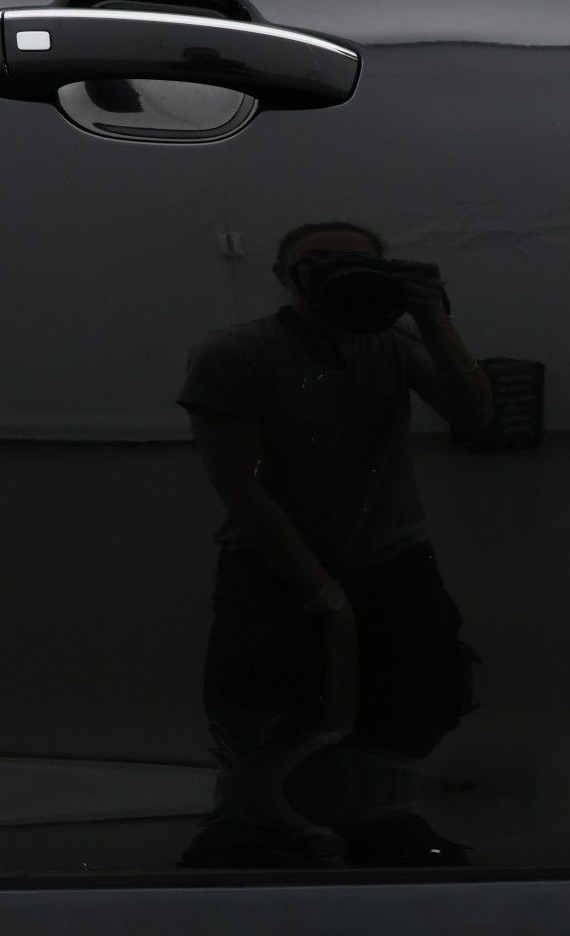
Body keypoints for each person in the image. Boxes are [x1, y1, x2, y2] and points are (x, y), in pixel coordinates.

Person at [176, 221, 493, 867]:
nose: (335, 274)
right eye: (316, 261)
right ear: (283, 276)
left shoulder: (393, 344)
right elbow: (244, 493)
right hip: (270, 570)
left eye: (355, 263)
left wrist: (434, 319)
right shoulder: (234, 355)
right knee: (267, 723)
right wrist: (321, 592)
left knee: (403, 718)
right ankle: (268, 842)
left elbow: (477, 417)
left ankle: (372, 840)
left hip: (392, 563)